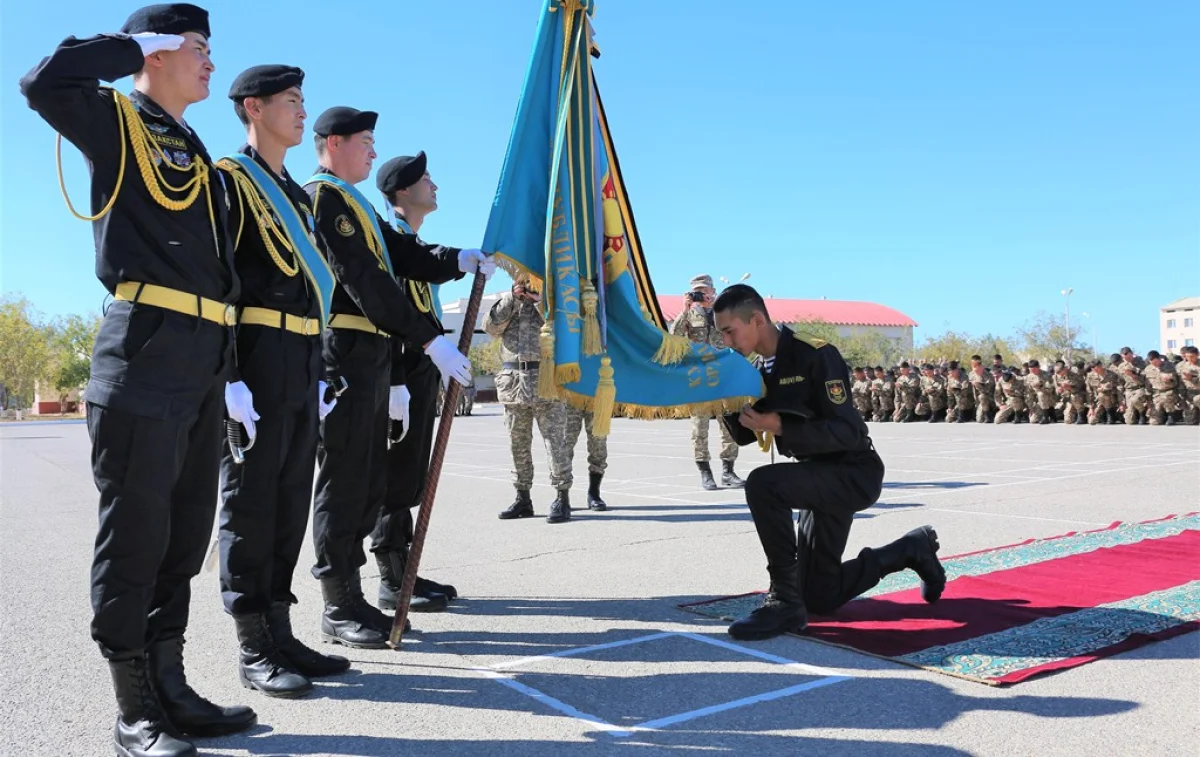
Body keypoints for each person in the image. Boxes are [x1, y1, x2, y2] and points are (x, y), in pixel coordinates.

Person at [20, 6, 257, 755]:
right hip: (144, 352)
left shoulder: (193, 144)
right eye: (198, 49)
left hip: (199, 358)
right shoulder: (115, 119)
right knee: (136, 538)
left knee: (183, 539)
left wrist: (230, 373)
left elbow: (218, 274)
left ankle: (171, 685)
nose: (211, 64)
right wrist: (130, 46)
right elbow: (40, 81)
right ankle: (132, 707)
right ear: (156, 53)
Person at [305, 106, 486, 649]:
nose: (373, 151)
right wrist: (429, 340)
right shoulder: (325, 197)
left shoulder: (354, 203)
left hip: (372, 349)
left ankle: (354, 597)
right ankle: (339, 602)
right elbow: (364, 278)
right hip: (346, 347)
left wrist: (458, 257)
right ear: (334, 143)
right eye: (365, 141)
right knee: (344, 480)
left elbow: (401, 253)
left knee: (367, 481)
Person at [215, 64, 351, 700]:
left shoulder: (296, 196)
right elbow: (218, 281)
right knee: (251, 501)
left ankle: (280, 628)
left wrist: (324, 365)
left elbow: (316, 292)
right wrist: (229, 373)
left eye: (303, 100)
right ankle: (251, 644)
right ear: (253, 108)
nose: (301, 111)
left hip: (301, 355)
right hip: (257, 353)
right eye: (290, 101)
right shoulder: (231, 182)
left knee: (291, 496)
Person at [712, 285, 944, 641]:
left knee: (762, 484)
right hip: (815, 478)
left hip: (851, 472)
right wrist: (721, 395)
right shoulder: (757, 370)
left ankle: (783, 603)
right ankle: (910, 549)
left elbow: (848, 431)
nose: (726, 341)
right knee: (820, 596)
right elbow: (743, 436)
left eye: (730, 331)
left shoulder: (814, 354)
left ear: (757, 320)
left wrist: (780, 426)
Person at [371, 152, 474, 614]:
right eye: (425, 179)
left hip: (419, 370)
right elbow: (388, 315)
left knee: (409, 475)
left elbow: (428, 267)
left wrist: (464, 260)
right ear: (402, 191)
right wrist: (394, 379)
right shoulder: (388, 238)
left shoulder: (411, 240)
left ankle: (405, 566)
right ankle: (392, 579)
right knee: (393, 478)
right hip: (398, 369)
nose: (434, 185)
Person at [483, 275, 575, 523]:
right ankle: (523, 497)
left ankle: (562, 497)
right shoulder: (508, 302)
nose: (526, 285)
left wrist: (539, 301)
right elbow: (491, 328)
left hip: (545, 380)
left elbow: (565, 328)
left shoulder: (552, 303)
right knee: (518, 442)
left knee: (555, 442)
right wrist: (513, 298)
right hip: (513, 382)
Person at [670, 274, 745, 490]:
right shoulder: (690, 313)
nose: (701, 294)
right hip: (699, 378)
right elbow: (674, 337)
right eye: (697, 290)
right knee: (699, 427)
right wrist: (684, 311)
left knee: (729, 424)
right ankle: (705, 472)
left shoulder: (723, 312)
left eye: (704, 290)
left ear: (712, 291)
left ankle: (728, 471)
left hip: (723, 377)